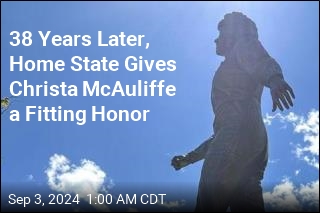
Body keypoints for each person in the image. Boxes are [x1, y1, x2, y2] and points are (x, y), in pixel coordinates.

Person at [171, 12, 295, 212]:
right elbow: (219, 137)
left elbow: (260, 60)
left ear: (233, 33)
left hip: (235, 132)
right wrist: (190, 157)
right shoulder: (233, 60)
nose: (216, 39)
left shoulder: (242, 45)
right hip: (251, 137)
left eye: (220, 34)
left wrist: (274, 79)